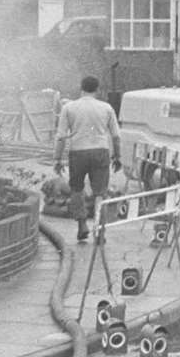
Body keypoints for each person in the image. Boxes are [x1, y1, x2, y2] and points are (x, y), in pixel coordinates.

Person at [53, 76, 122, 243]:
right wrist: (117, 156)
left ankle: (82, 224)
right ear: (97, 90)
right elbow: (116, 136)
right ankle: (100, 231)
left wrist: (57, 159)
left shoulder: (69, 108)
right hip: (100, 151)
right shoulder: (106, 108)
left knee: (77, 189)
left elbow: (61, 137)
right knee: (100, 193)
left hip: (78, 152)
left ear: (81, 88)